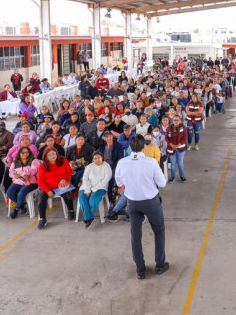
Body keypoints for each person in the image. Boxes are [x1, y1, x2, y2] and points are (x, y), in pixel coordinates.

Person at [114, 136, 169, 279]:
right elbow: (162, 183)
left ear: (130, 147)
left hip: (132, 202)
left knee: (135, 236)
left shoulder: (122, 162)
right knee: (159, 231)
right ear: (144, 146)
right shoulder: (150, 162)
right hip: (150, 201)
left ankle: (140, 269)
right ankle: (160, 265)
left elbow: (119, 182)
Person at [36, 147, 76, 229]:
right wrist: (48, 191)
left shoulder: (63, 160)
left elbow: (69, 171)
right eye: (49, 154)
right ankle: (42, 218)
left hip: (61, 185)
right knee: (41, 197)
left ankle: (71, 211)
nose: (53, 155)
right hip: (48, 186)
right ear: (46, 157)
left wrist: (64, 179)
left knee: (67, 195)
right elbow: (40, 182)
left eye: (54, 153)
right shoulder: (42, 167)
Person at [79, 151, 113, 227]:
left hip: (100, 188)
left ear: (102, 158)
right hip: (86, 187)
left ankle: (87, 218)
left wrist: (93, 190)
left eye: (99, 158)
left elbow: (105, 180)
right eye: (95, 158)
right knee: (82, 198)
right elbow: (85, 179)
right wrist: (87, 190)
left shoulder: (107, 167)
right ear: (93, 159)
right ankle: (89, 218)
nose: (97, 160)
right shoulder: (89, 166)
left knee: (93, 199)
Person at [7, 146, 40, 219]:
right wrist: (16, 175)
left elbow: (33, 171)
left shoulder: (34, 160)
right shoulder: (15, 162)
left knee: (21, 193)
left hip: (31, 182)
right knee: (9, 193)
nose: (25, 154)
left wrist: (21, 173)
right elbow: (11, 173)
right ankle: (22, 205)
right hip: (18, 181)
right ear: (19, 153)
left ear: (29, 153)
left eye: (27, 152)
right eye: (22, 153)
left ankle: (16, 209)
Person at [165, 115, 187, 182]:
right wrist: (171, 145)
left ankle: (182, 176)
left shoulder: (183, 127)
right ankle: (172, 177)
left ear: (180, 120)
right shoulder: (169, 128)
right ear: (172, 121)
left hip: (181, 149)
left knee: (180, 163)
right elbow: (166, 138)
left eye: (177, 120)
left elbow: (184, 138)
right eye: (175, 120)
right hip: (171, 149)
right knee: (173, 163)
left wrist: (177, 146)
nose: (176, 121)